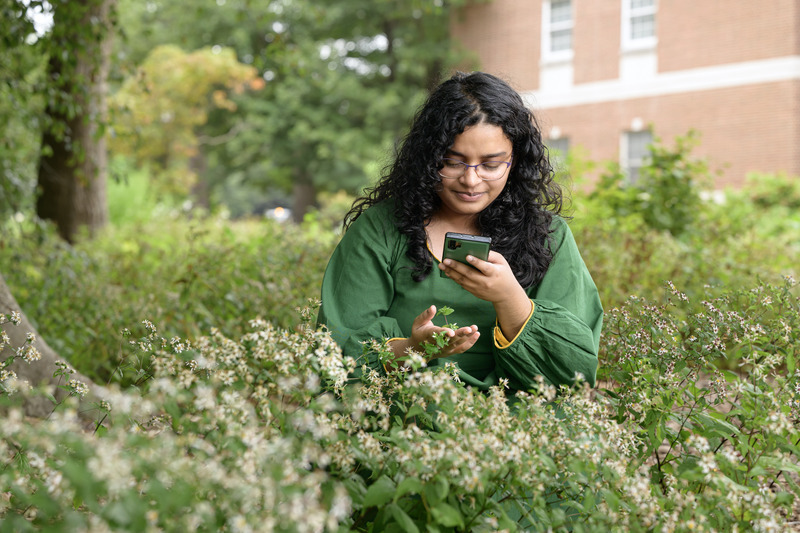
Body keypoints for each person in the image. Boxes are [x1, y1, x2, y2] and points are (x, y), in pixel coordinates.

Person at [317, 71, 602, 393]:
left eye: (491, 165)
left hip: (521, 420)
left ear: (516, 161)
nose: (471, 180)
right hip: (407, 412)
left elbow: (573, 373)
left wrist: (510, 297)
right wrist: (415, 348)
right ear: (428, 157)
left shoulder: (549, 236)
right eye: (453, 162)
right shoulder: (380, 230)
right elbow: (336, 355)